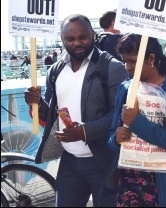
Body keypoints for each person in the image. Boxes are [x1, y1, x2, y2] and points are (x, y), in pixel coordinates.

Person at [24, 14, 128, 207]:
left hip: (104, 161)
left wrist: (85, 131)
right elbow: (51, 115)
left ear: (93, 35)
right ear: (62, 39)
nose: (77, 43)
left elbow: (118, 116)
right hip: (69, 162)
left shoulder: (113, 67)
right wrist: (35, 103)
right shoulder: (55, 70)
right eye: (70, 39)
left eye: (83, 37)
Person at [99, 33, 166, 207]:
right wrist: (116, 139)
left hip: (165, 184)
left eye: (133, 61)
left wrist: (137, 121)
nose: (127, 67)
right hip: (130, 183)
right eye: (124, 61)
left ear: (150, 58)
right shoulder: (126, 88)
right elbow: (113, 137)